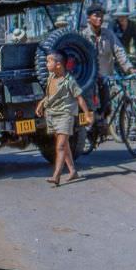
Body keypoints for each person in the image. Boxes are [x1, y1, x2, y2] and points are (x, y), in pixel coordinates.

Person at [35, 52, 93, 186]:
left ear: (58, 65)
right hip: (52, 115)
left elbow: (79, 98)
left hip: (65, 115)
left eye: (49, 61)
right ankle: (73, 171)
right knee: (64, 144)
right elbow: (49, 95)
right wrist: (41, 104)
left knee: (60, 146)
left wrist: (87, 114)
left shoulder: (69, 81)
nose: (46, 64)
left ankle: (56, 176)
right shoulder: (51, 77)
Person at [81, 4, 136, 118]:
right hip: (89, 81)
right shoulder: (83, 36)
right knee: (90, 110)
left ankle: (103, 126)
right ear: (88, 18)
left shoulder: (108, 34)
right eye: (96, 15)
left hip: (105, 78)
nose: (100, 18)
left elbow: (119, 51)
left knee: (107, 108)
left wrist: (130, 68)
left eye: (101, 16)